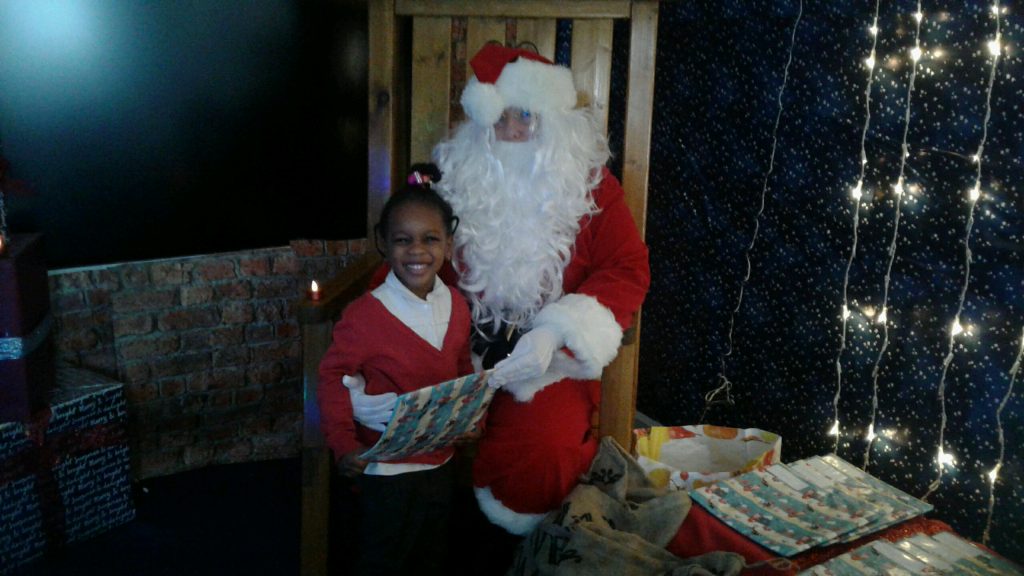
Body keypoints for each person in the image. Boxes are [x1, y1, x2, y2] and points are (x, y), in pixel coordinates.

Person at [353, 43, 650, 567]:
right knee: (392, 413)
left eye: (526, 116)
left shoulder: (592, 190)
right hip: (448, 355)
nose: (512, 131)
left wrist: (556, 331)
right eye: (500, 119)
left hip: (546, 365)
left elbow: (626, 267)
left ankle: (518, 554)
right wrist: (367, 353)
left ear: (554, 121)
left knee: (546, 450)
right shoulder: (452, 185)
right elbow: (406, 266)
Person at [316, 163, 473, 576]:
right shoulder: (364, 315)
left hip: (440, 461)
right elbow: (332, 377)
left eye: (430, 239)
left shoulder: (457, 304)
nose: (417, 251)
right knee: (384, 558)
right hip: (387, 468)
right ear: (383, 243)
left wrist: (470, 419)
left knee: (431, 553)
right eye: (403, 240)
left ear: (448, 244)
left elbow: (461, 369)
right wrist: (343, 442)